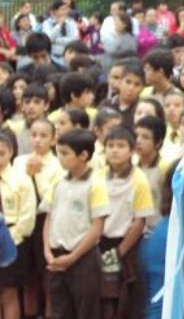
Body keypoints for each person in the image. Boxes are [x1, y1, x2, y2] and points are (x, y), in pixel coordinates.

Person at [41, 129, 109, 319]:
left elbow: (97, 228)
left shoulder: (96, 184)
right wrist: (47, 250)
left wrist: (73, 257)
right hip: (57, 256)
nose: (60, 158)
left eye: (65, 153)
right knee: (58, 309)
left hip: (83, 257)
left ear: (83, 155)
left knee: (85, 309)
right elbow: (49, 218)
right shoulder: (58, 183)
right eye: (58, 152)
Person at [99, 126, 154, 318]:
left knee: (125, 297)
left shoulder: (139, 180)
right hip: (100, 241)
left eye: (121, 146)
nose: (114, 150)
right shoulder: (98, 176)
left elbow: (139, 221)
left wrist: (119, 252)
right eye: (110, 146)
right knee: (102, 296)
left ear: (131, 150)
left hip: (127, 244)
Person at [0, 131, 36, 319]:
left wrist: (11, 238)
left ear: (11, 152)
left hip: (12, 240)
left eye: (1, 153)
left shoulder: (20, 179)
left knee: (9, 292)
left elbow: (28, 215)